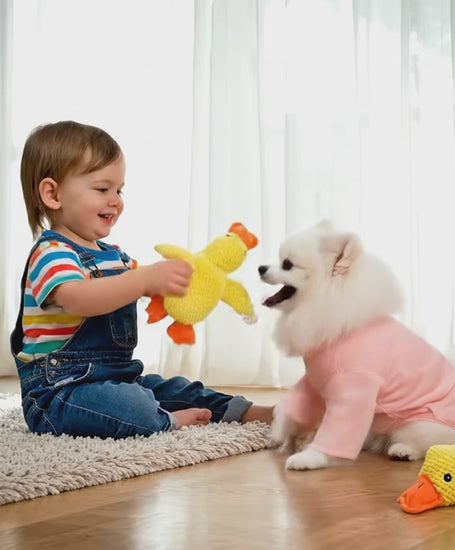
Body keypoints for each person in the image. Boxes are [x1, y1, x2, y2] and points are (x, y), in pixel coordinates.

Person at [10, 120, 273, 439]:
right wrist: (143, 280)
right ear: (53, 194)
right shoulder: (52, 254)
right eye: (102, 189)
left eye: (119, 190)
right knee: (130, 405)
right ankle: (163, 420)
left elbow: (138, 288)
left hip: (118, 378)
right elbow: (78, 298)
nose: (115, 200)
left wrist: (176, 288)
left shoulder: (114, 256)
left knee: (176, 388)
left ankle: (252, 413)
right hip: (60, 393)